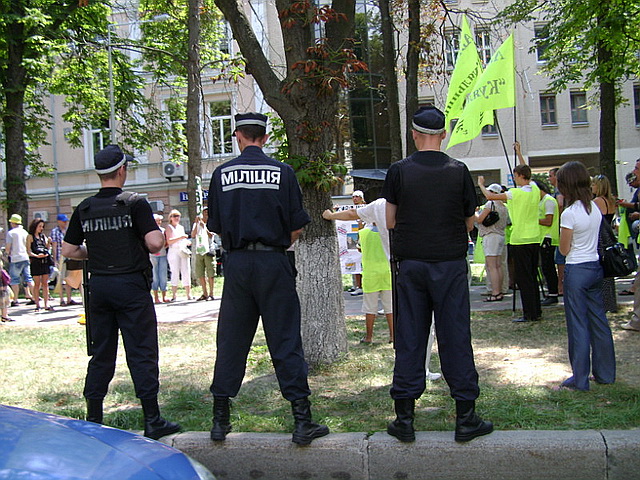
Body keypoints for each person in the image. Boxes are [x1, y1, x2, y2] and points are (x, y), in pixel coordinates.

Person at [207, 112, 328, 446]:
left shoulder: (221, 174)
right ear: (264, 136)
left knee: (231, 339)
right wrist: (273, 245)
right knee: (286, 340)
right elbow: (297, 227)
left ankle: (220, 421)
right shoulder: (283, 172)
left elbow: (213, 224)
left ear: (238, 136)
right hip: (274, 262)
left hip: (237, 264)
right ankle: (302, 421)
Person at [382, 106, 492, 443]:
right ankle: (465, 418)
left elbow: (389, 221)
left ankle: (404, 419)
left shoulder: (398, 171)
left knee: (410, 337)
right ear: (443, 135)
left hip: (411, 265)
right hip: (450, 264)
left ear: (414, 135)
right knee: (455, 335)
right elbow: (469, 220)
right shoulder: (458, 171)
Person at [61, 144, 180, 440]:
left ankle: (93, 419)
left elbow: (69, 250)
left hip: (99, 287)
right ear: (122, 170)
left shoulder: (85, 207)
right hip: (130, 287)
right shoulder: (134, 203)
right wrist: (160, 235)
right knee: (141, 351)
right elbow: (154, 244)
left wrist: (97, 251)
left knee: (101, 353)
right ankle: (152, 419)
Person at [322, 198, 442, 381]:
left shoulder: (373, 215)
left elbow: (353, 225)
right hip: (405, 271)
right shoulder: (420, 203)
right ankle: (410, 356)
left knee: (384, 313)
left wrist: (331, 215)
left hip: (386, 271)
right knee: (404, 315)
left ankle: (379, 344)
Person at [556, 161, 615, 391]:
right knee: (599, 322)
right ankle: (606, 373)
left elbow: (563, 249)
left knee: (578, 325)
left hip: (577, 270)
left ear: (566, 185)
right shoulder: (595, 208)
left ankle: (579, 379)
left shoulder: (570, 213)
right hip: (595, 268)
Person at [479, 141, 541, 323]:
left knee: (524, 279)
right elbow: (527, 170)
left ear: (520, 176)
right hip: (534, 238)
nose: (513, 179)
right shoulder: (535, 189)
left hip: (520, 239)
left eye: (515, 176)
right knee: (532, 275)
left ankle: (529, 313)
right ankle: (536, 310)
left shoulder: (516, 193)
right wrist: (519, 153)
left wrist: (481, 184)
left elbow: (490, 196)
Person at [357, 222, 393, 344]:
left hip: (370, 273)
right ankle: (393, 336)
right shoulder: (388, 233)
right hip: (387, 272)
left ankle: (369, 337)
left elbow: (359, 249)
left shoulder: (363, 233)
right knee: (390, 307)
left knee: (370, 308)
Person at [475, 183, 510, 303]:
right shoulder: (504, 207)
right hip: (500, 235)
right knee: (498, 265)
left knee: (491, 266)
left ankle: (495, 292)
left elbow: (479, 219)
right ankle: (499, 290)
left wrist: (474, 213)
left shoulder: (491, 204)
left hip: (491, 236)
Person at [592, 174, 618, 313]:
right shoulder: (611, 200)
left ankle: (604, 302)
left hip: (600, 236)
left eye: (594, 185)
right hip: (609, 236)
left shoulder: (597, 201)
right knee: (609, 269)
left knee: (601, 270)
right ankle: (610, 302)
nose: (592, 187)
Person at [537, 181, 560, 306]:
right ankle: (551, 292)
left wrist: (533, 220)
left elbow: (548, 221)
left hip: (548, 237)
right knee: (545, 267)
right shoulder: (542, 201)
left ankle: (553, 294)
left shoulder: (549, 201)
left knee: (548, 266)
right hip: (542, 237)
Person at [5, 214, 34, 307]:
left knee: (14, 280)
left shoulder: (11, 233)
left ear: (13, 222)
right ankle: (34, 297)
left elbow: (8, 247)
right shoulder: (24, 232)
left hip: (15, 258)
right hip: (25, 257)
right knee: (28, 278)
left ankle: (15, 299)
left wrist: (6, 255)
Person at [26, 219, 54, 312]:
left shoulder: (43, 236)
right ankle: (37, 304)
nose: (41, 228)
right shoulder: (30, 237)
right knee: (37, 283)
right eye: (39, 226)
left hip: (44, 261)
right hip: (36, 262)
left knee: (45, 283)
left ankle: (46, 304)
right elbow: (28, 251)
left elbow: (46, 248)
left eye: (42, 226)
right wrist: (36, 256)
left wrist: (49, 243)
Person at [165, 209, 192, 302]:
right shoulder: (169, 227)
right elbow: (169, 241)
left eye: (178, 216)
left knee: (186, 271)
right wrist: (181, 237)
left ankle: (188, 294)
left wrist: (187, 242)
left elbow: (183, 240)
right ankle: (174, 295)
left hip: (182, 250)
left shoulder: (181, 227)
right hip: (174, 251)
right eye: (174, 216)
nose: (176, 218)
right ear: (171, 218)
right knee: (175, 272)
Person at [50, 213, 77, 306]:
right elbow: (54, 246)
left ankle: (69, 298)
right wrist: (55, 260)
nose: (65, 223)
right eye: (63, 221)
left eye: (66, 221)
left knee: (68, 278)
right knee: (60, 279)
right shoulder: (55, 231)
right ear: (58, 221)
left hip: (69, 258)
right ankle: (62, 299)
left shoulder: (67, 230)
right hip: (60, 258)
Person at [191, 206, 215, 301]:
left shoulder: (211, 223)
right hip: (199, 250)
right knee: (200, 273)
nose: (206, 214)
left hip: (208, 250)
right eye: (204, 212)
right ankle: (204, 293)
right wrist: (197, 224)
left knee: (210, 272)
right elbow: (193, 235)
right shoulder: (197, 223)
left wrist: (204, 227)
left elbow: (211, 235)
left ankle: (211, 293)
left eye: (207, 212)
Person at [348, 190, 366, 296]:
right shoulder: (351, 209)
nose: (355, 199)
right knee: (354, 261)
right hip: (354, 238)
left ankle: (361, 286)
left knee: (361, 263)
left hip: (364, 238)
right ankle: (357, 285)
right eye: (353, 197)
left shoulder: (365, 208)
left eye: (357, 197)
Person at [150, 214, 169, 304]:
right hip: (153, 255)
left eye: (159, 221)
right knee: (155, 276)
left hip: (162, 254)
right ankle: (156, 297)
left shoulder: (163, 230)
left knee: (163, 276)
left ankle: (164, 296)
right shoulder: (150, 231)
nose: (158, 223)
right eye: (156, 221)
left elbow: (167, 242)